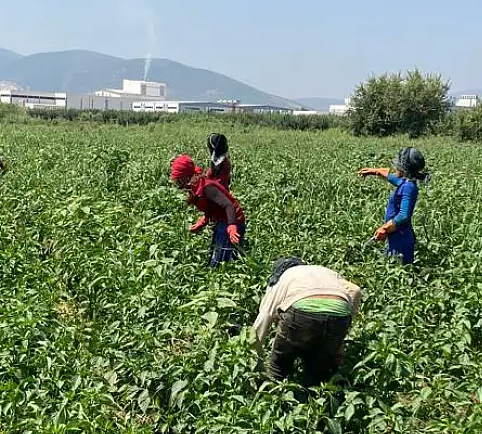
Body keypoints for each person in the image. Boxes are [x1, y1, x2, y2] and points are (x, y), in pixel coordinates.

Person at [252, 258, 362, 388]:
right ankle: (310, 402)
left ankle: (271, 397)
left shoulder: (285, 277)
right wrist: (343, 328)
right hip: (340, 312)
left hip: (302, 313)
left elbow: (264, 318)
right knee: (317, 373)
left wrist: (256, 360)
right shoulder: (324, 271)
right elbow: (355, 290)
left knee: (278, 366)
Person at [170, 154, 246, 267]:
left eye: (178, 180)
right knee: (219, 256)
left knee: (221, 263)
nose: (176, 183)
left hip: (231, 220)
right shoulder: (195, 186)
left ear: (185, 178)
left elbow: (228, 205)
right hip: (222, 220)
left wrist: (232, 225)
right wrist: (204, 221)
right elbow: (212, 206)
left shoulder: (207, 187)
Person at [358, 147, 427, 264]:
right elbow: (393, 178)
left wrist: (384, 228)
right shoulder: (406, 182)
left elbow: (404, 215)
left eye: (398, 165)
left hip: (401, 238)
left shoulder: (408, 187)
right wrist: (375, 171)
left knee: (400, 270)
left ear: (404, 169)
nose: (395, 167)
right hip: (397, 235)